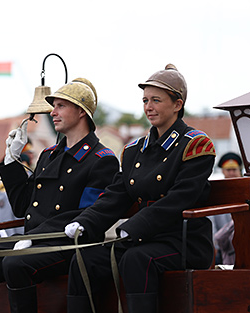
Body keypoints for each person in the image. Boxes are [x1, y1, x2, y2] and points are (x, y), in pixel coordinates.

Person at [0, 77, 120, 313]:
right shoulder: (49, 155)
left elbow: (84, 215)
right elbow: (23, 205)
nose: (53, 112)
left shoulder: (101, 159)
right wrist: (11, 161)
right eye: (53, 106)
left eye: (60, 106)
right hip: (31, 243)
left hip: (66, 246)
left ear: (81, 111)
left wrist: (34, 237)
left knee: (15, 264)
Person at [65, 64, 216, 313]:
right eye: (145, 100)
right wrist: (86, 222)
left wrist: (134, 227)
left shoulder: (195, 145)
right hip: (141, 238)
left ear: (177, 105)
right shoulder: (135, 149)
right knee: (84, 260)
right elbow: (117, 194)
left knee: (137, 260)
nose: (148, 107)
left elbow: (180, 198)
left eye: (156, 100)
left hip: (182, 241)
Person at [212, 152, 243, 265]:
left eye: (234, 170)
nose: (231, 173)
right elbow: (213, 223)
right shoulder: (219, 194)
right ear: (223, 171)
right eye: (228, 170)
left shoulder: (247, 192)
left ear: (240, 170)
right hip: (224, 248)